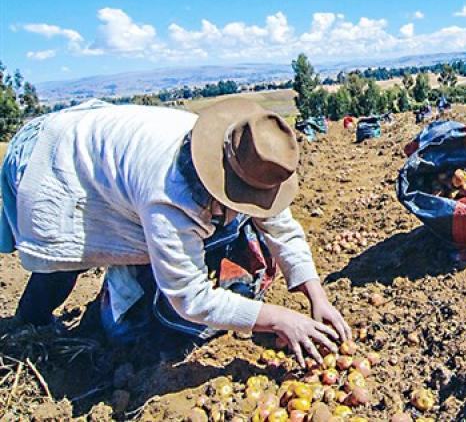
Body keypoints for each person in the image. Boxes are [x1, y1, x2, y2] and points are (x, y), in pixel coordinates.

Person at [0, 98, 350, 365]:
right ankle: (27, 330)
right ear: (223, 182)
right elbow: (190, 298)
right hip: (54, 158)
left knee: (222, 232)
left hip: (104, 151)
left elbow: (282, 228)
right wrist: (279, 320)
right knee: (64, 262)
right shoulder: (170, 194)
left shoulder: (248, 158)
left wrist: (316, 297)